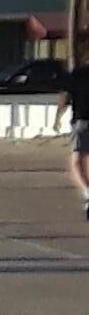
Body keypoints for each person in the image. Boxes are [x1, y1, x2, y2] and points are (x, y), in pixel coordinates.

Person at [69, 57, 89, 220]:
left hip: (82, 121)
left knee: (77, 161)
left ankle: (87, 192)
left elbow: (64, 96)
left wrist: (57, 118)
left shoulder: (78, 74)